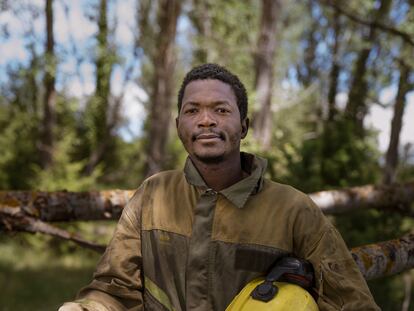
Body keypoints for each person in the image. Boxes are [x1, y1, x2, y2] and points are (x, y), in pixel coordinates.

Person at [59, 63, 379, 311]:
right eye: (192, 110)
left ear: (244, 125)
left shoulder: (293, 210)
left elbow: (352, 302)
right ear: (178, 125)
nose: (206, 120)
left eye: (221, 110)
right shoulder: (152, 196)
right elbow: (115, 290)